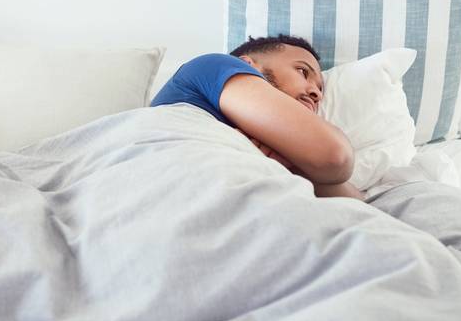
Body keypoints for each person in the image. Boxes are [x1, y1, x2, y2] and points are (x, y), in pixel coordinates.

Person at [150, 34, 362, 200]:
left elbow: (359, 206)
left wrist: (291, 160)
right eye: (303, 72)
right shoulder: (212, 65)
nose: (316, 93)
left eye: (320, 90)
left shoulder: (291, 152)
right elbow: (335, 157)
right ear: (247, 64)